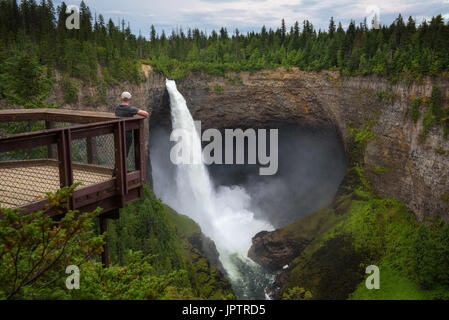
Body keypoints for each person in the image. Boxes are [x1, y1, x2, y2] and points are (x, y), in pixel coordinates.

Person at [115, 91, 149, 157]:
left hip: (118, 132)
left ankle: (117, 166)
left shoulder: (117, 108)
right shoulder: (131, 109)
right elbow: (146, 114)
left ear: (121, 98)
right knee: (125, 152)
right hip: (127, 133)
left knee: (119, 151)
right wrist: (136, 112)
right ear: (130, 99)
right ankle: (123, 166)